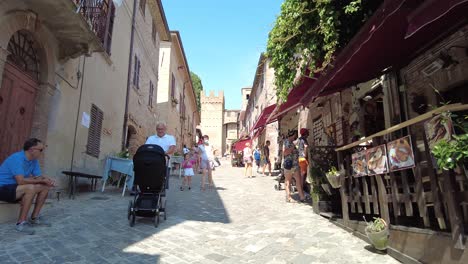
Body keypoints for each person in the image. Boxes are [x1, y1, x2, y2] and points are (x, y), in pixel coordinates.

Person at [0, 138, 55, 235]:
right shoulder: (17, 158)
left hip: (16, 188)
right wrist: (41, 180)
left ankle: (34, 217)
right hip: (3, 188)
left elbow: (38, 176)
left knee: (45, 186)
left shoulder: (34, 160)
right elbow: (20, 181)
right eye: (41, 150)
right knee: (30, 187)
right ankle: (21, 223)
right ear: (32, 150)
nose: (42, 153)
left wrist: (48, 180)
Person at [145, 122, 176, 189]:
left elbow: (172, 148)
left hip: (165, 162)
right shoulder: (151, 138)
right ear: (156, 129)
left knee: (162, 180)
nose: (160, 131)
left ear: (165, 129)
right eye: (158, 129)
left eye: (162, 129)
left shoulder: (170, 138)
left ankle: (161, 194)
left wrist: (163, 153)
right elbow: (146, 148)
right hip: (151, 162)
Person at [283, 130, 306, 203]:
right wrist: (293, 146)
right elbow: (285, 153)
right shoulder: (286, 142)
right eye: (295, 135)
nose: (296, 137)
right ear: (293, 135)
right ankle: (288, 197)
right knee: (288, 181)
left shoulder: (293, 142)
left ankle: (302, 197)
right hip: (289, 165)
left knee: (298, 181)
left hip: (295, 165)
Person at [297, 128, 310, 193]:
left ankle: (301, 189)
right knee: (303, 175)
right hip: (302, 158)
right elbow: (306, 147)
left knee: (301, 174)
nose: (308, 134)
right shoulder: (304, 139)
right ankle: (302, 190)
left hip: (299, 158)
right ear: (305, 133)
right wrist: (305, 154)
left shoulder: (298, 140)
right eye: (307, 132)